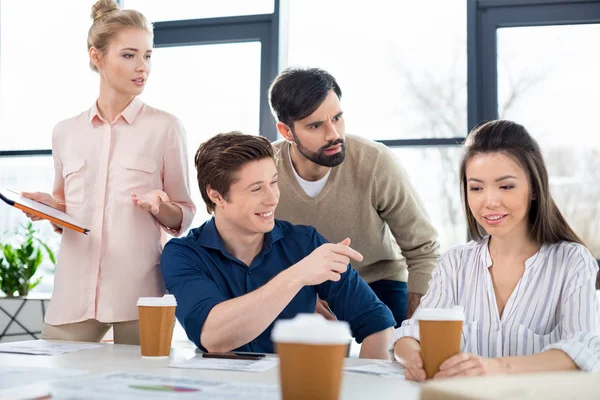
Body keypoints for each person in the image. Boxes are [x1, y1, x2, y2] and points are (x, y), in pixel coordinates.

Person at [21, 0, 195, 344]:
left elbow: (185, 213)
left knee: (141, 392)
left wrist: (159, 207)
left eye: (147, 56)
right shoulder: (65, 132)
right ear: (96, 56)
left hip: (140, 295)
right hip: (72, 296)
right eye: (129, 55)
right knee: (62, 389)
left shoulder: (166, 128)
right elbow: (65, 213)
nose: (142, 67)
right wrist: (49, 209)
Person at [393, 120, 600, 380]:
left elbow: (584, 349)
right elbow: (409, 335)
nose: (489, 201)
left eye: (506, 186)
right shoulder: (455, 263)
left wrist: (496, 367)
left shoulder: (572, 261)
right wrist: (414, 358)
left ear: (534, 189)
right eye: (476, 188)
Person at [161, 132, 395, 358]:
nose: (272, 198)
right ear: (217, 196)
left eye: (273, 182)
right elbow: (213, 338)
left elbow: (378, 324)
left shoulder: (306, 243)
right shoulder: (184, 255)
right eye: (256, 189)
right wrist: (298, 275)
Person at [268, 67, 440, 326]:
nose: (333, 134)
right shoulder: (265, 170)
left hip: (377, 282)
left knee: (390, 360)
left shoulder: (376, 162)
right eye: (315, 125)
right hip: (300, 285)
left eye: (337, 118)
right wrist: (296, 292)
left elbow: (424, 249)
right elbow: (249, 252)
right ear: (286, 132)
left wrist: (411, 328)